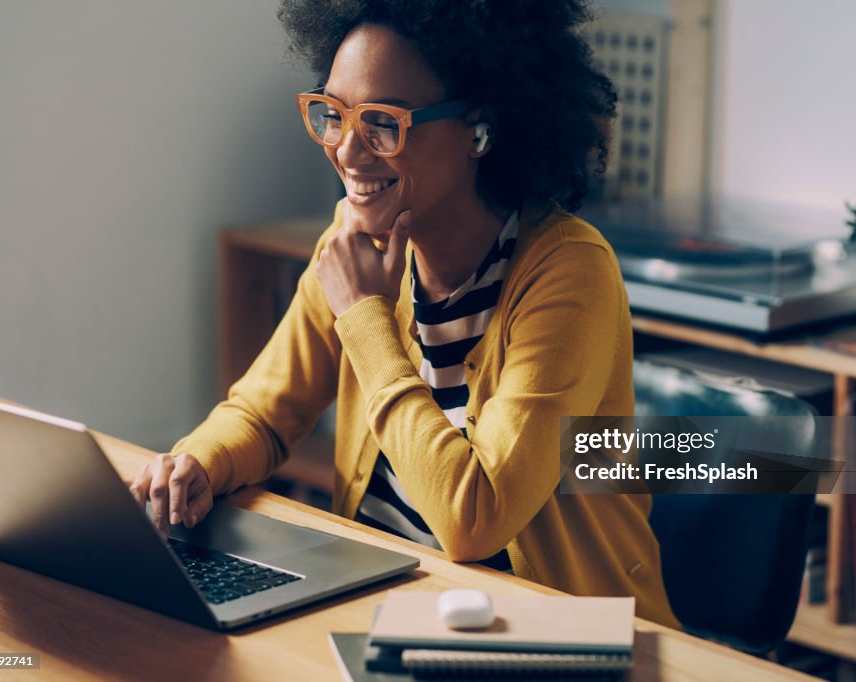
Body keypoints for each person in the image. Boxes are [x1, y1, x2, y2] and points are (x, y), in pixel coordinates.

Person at [129, 0, 679, 628]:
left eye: (383, 124)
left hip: (555, 634)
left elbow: (474, 518)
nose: (349, 155)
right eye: (332, 116)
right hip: (384, 608)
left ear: (478, 130)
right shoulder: (352, 242)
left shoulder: (568, 272)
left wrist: (365, 320)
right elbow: (263, 412)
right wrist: (199, 463)